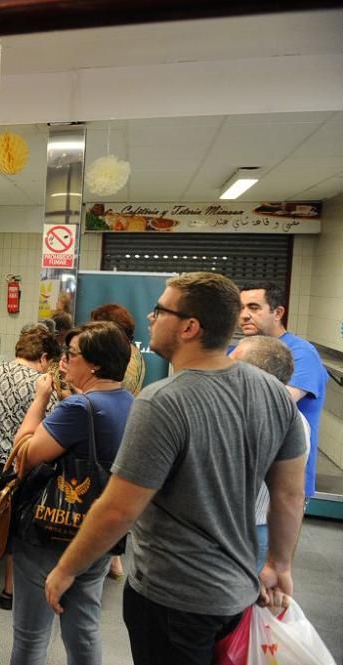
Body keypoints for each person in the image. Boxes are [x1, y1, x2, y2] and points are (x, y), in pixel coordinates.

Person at [45, 273, 307, 665]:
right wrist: (279, 564)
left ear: (190, 326)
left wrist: (66, 569)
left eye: (160, 310)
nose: (150, 318)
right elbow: (288, 493)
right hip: (237, 590)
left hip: (172, 598)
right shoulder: (273, 393)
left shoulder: (162, 401)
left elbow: (118, 508)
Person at [9, 321, 134, 665]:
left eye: (72, 354)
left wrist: (40, 400)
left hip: (50, 535)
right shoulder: (128, 401)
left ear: (94, 363)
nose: (65, 360)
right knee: (83, 630)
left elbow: (24, 455)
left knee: (31, 636)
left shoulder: (78, 409)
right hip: (96, 535)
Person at [0, 325, 60, 610]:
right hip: (18, 462)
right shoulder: (42, 384)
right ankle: (8, 592)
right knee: (14, 526)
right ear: (42, 357)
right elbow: (50, 425)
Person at [238, 281, 328, 500]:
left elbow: (275, 404)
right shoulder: (241, 350)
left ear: (277, 312)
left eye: (254, 307)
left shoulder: (301, 353)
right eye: (240, 308)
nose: (244, 315)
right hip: (245, 475)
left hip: (283, 480)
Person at [230, 335, 309, 571]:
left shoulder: (288, 421)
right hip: (236, 527)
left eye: (233, 363)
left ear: (253, 374)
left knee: (246, 600)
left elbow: (288, 495)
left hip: (254, 529)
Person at [88, 303, 144, 579]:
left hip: (108, 424)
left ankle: (106, 555)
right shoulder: (135, 354)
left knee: (105, 492)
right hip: (125, 422)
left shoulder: (119, 359)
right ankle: (114, 558)